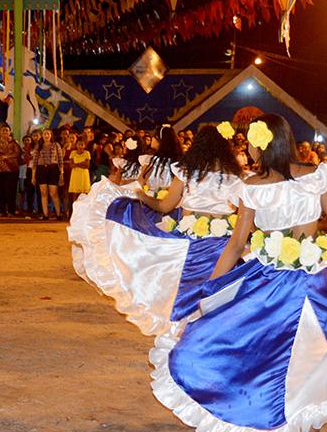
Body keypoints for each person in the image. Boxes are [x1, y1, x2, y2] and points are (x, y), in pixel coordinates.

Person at [150, 114, 327, 432]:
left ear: (261, 144)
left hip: (286, 287)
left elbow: (240, 243)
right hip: (303, 284)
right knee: (314, 362)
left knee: (288, 363)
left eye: (250, 142)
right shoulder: (279, 180)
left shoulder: (284, 181)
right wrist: (211, 289)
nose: (247, 149)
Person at [69, 125, 244, 336]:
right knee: (220, 299)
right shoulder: (237, 177)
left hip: (192, 248)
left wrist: (141, 196)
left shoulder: (187, 172)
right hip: (224, 249)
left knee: (183, 295)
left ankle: (186, 334)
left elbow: (164, 207)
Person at [0, 125, 22, 216]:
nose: (5, 132)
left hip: (12, 169)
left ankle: (11, 210)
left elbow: (18, 153)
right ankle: (1, 211)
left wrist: (7, 157)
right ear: (0, 132)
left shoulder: (14, 142)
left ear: (10, 132)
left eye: (7, 130)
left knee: (11, 190)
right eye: (3, 130)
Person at [31, 129, 63, 220]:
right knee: (43, 193)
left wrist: (61, 174)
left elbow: (60, 160)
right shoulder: (39, 146)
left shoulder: (56, 145)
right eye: (45, 134)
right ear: (42, 135)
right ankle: (45, 215)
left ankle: (58, 214)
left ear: (51, 135)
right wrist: (33, 176)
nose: (47, 135)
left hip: (53, 169)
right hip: (41, 169)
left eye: (48, 133)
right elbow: (35, 162)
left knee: (54, 193)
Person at [67, 141, 91, 215]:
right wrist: (82, 163)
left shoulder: (87, 153)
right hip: (75, 174)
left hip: (84, 175)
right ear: (76, 145)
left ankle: (84, 212)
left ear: (84, 145)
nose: (80, 146)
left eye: (82, 144)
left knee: (84, 193)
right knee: (75, 194)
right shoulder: (73, 153)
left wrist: (76, 164)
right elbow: (71, 165)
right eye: (79, 144)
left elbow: (87, 165)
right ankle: (75, 212)